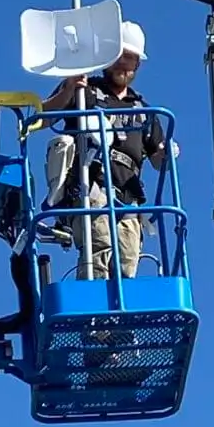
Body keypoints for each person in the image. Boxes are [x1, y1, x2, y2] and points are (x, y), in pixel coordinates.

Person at [39, 21, 178, 280]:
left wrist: (166, 153)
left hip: (129, 197)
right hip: (92, 186)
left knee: (127, 264)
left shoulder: (142, 109)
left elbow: (159, 160)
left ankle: (121, 317)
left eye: (130, 59)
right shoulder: (85, 89)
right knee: (99, 252)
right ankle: (91, 313)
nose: (123, 64)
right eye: (118, 57)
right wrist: (69, 88)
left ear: (138, 65)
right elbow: (43, 118)